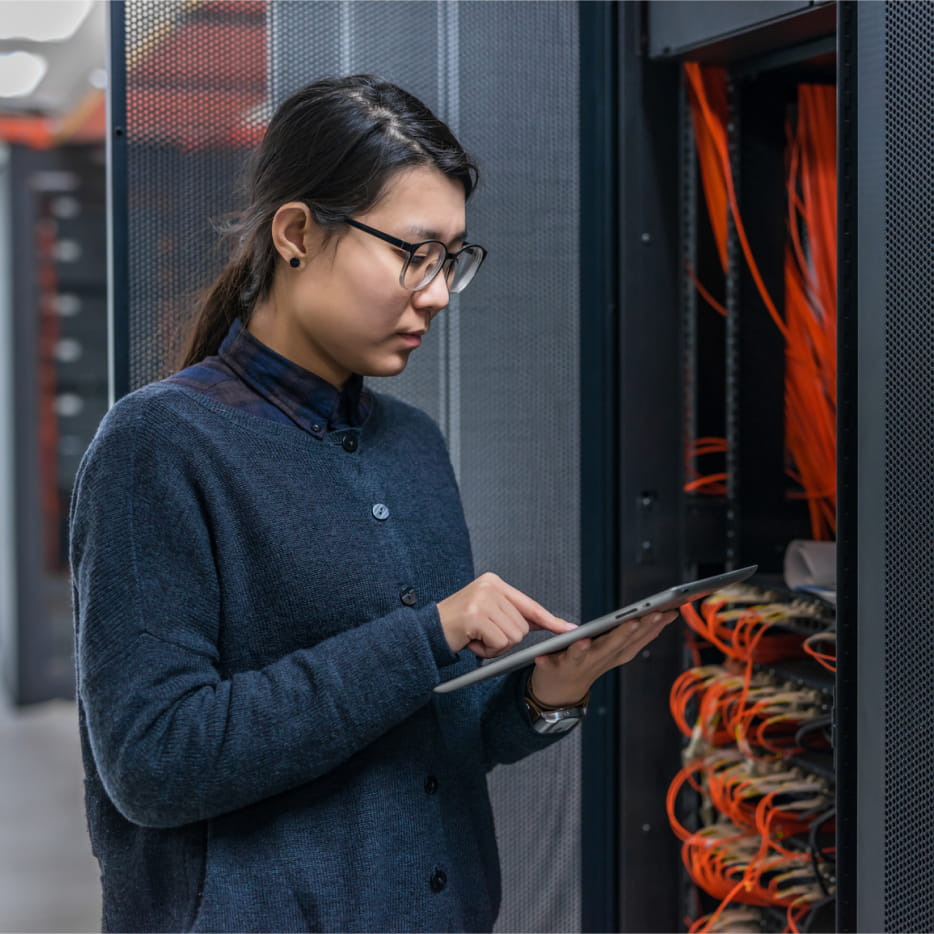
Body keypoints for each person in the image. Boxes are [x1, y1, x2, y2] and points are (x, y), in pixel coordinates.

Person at [70, 74, 677, 934]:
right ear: (296, 234)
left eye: (452, 259)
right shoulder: (159, 445)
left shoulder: (413, 444)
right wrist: (428, 636)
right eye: (412, 252)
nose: (435, 293)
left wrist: (547, 694)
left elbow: (429, 739)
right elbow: (155, 762)